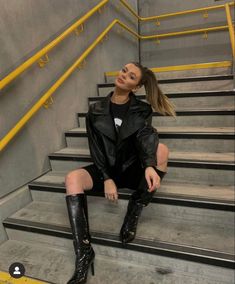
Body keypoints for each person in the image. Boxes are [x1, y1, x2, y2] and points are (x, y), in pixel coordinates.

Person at [65, 62, 176, 283]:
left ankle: (135, 208)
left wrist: (149, 166)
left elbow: (146, 137)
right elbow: (95, 148)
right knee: (72, 178)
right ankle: (84, 252)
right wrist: (106, 178)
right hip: (107, 169)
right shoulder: (95, 110)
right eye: (124, 71)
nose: (124, 76)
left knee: (161, 150)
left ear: (135, 87)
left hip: (132, 169)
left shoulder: (141, 109)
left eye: (132, 76)